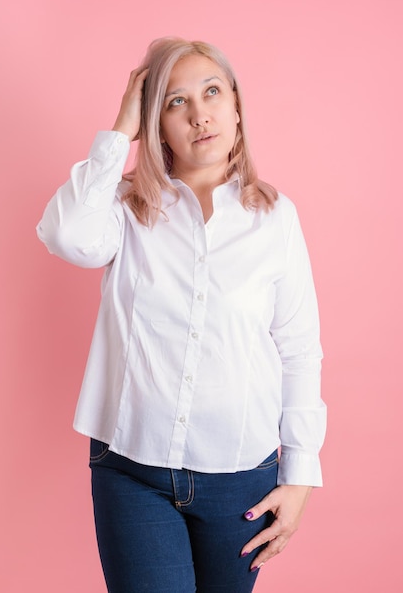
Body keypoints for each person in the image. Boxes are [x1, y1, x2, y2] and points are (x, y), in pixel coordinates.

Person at [37, 37, 326, 593]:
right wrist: (121, 129)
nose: (199, 115)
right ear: (157, 127)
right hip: (132, 470)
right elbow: (65, 235)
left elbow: (298, 347)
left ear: (237, 107)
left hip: (241, 478)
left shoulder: (276, 219)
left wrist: (301, 475)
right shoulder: (123, 208)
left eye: (212, 92)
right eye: (174, 102)